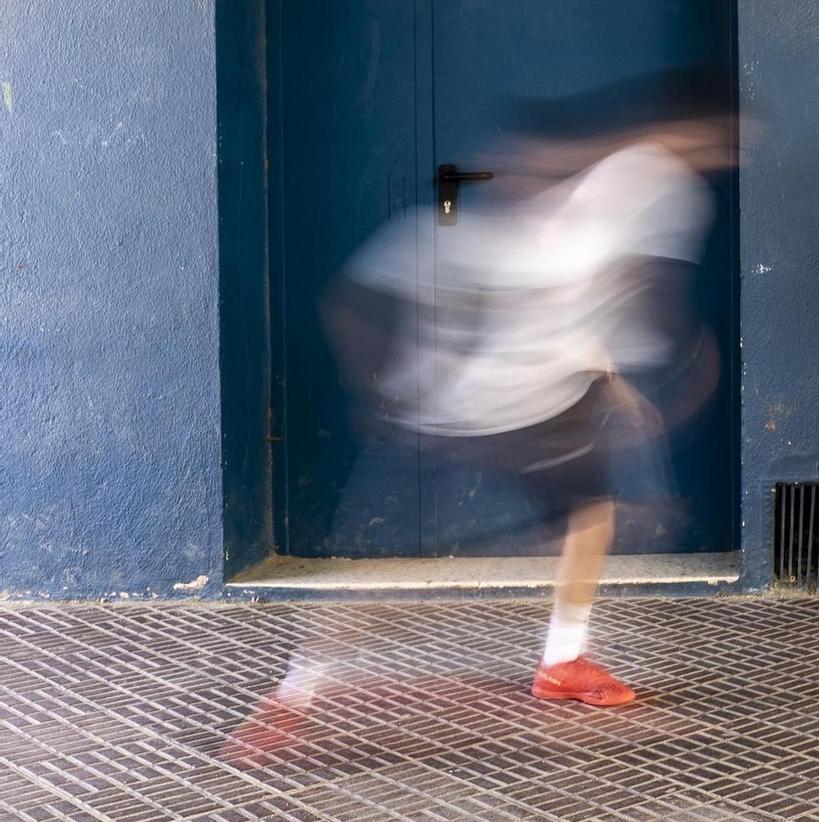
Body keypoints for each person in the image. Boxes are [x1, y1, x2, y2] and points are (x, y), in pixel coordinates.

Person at [230, 70, 739, 756]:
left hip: (537, 405)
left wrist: (615, 381)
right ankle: (299, 689)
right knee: (397, 573)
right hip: (470, 412)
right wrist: (380, 387)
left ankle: (561, 659)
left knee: (591, 515)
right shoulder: (467, 232)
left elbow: (573, 312)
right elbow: (355, 305)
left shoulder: (557, 224)